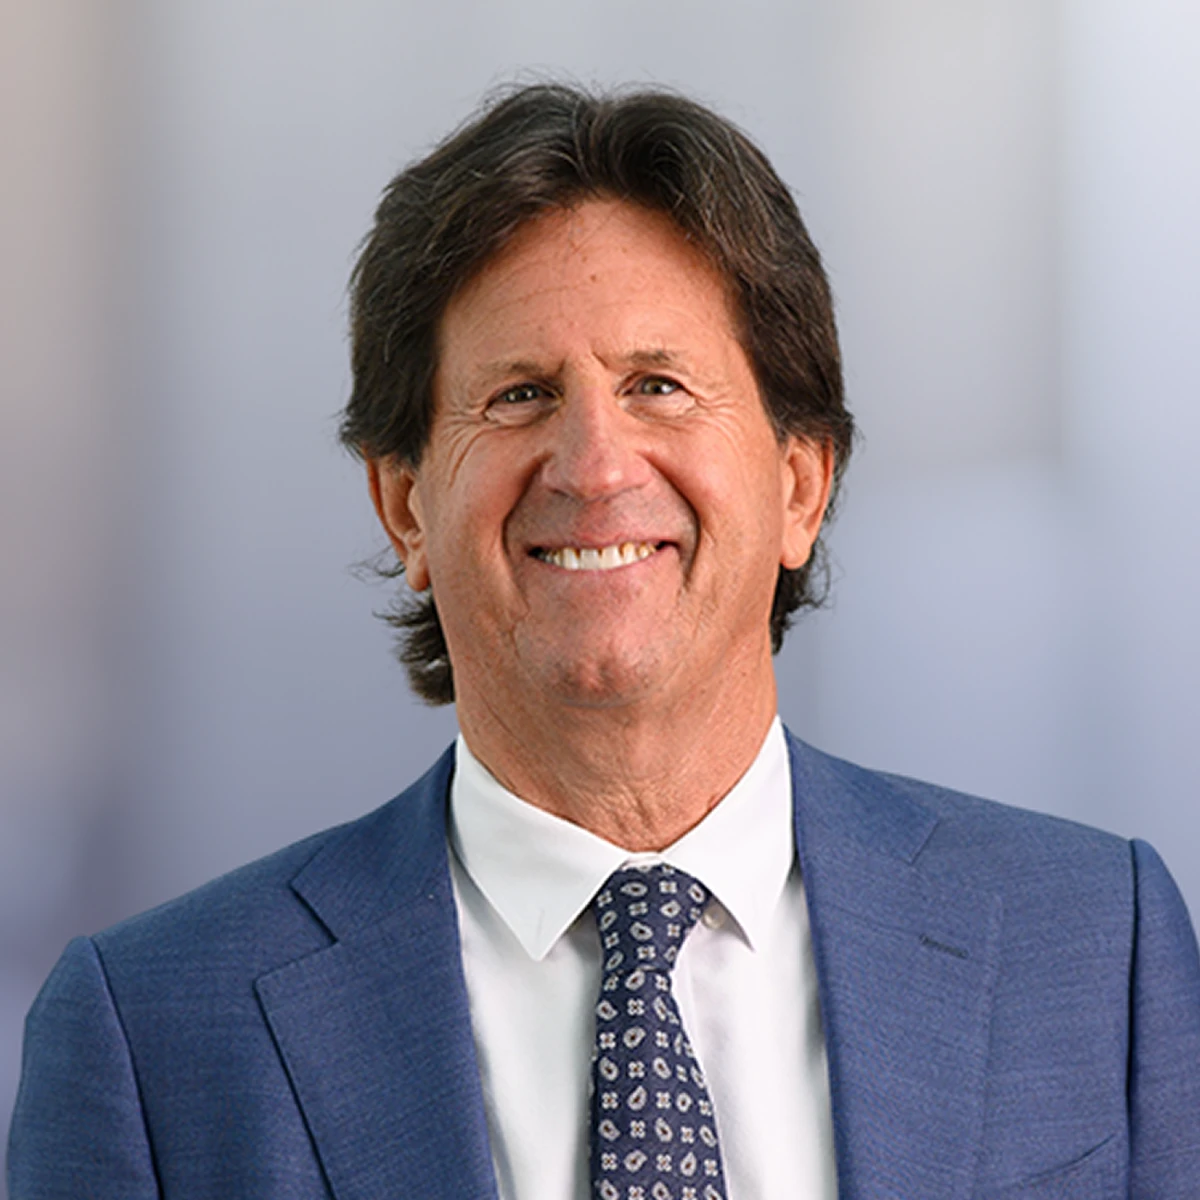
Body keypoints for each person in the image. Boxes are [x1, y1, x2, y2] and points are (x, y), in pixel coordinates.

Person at [8, 82, 1200, 1200]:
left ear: (800, 485)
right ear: (405, 507)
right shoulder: (150, 1037)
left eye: (658, 385)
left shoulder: (1099, 948)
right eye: (520, 394)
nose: (592, 465)